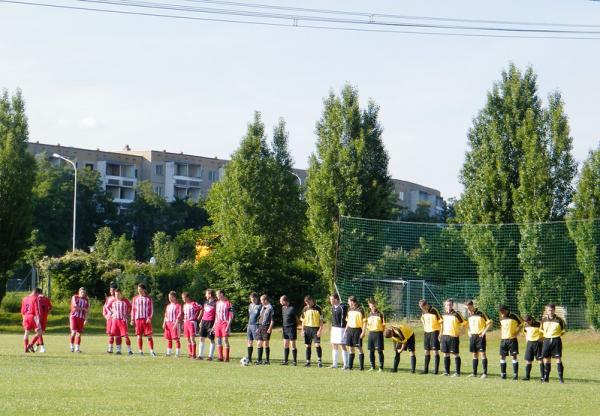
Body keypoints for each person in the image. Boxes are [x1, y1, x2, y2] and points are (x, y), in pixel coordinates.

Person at [540, 303, 567, 383]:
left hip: (556, 340)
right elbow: (541, 330)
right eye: (549, 310)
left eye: (552, 310)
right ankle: (546, 378)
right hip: (547, 340)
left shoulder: (559, 320)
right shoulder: (544, 319)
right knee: (546, 359)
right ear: (547, 311)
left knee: (558, 359)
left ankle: (560, 378)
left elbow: (563, 331)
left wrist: (557, 335)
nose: (550, 312)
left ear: (554, 310)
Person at [466, 300, 492, 378]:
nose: (468, 309)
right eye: (467, 308)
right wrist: (469, 332)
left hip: (480, 336)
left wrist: (484, 332)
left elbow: (490, 322)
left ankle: (485, 373)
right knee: (474, 354)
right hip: (473, 336)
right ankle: (474, 373)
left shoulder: (481, 313)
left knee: (482, 354)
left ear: (472, 305)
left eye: (469, 307)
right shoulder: (469, 315)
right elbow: (469, 325)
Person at [440, 298, 466, 377]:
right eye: (447, 305)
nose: (448, 306)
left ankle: (457, 373)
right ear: (445, 306)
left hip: (453, 336)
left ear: (452, 305)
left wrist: (462, 331)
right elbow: (442, 325)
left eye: (450, 305)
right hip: (445, 336)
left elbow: (464, 323)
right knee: (446, 354)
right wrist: (440, 333)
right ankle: (446, 372)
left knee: (455, 354)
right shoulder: (443, 314)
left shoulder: (457, 314)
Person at [498, 304, 523, 380]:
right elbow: (501, 326)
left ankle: (515, 374)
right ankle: (503, 374)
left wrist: (517, 332)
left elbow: (522, 324)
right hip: (503, 340)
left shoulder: (513, 316)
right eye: (500, 311)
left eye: (502, 311)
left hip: (512, 340)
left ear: (506, 310)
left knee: (514, 356)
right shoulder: (501, 317)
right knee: (502, 356)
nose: (501, 313)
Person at [131, 283, 156, 357]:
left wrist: (149, 318)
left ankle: (152, 351)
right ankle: (140, 351)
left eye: (140, 289)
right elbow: (133, 310)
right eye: (138, 289)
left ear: (144, 290)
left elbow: (151, 310)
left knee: (149, 335)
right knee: (139, 336)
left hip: (146, 320)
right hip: (138, 319)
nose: (139, 291)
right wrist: (132, 319)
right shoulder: (135, 298)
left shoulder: (148, 298)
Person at [418, 299, 442, 374]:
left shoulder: (434, 310)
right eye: (421, 308)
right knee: (426, 351)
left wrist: (440, 333)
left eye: (423, 308)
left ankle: (436, 371)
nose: (423, 309)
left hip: (434, 332)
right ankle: (426, 370)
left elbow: (441, 321)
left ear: (426, 305)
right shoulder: (423, 311)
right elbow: (422, 320)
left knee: (435, 351)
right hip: (427, 332)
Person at [300, 295, 324, 368]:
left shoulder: (318, 308)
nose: (307, 303)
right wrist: (302, 330)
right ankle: (308, 362)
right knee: (308, 345)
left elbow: (321, 320)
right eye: (306, 302)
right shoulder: (305, 309)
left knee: (317, 345)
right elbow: (303, 321)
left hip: (316, 329)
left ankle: (319, 361)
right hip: (307, 328)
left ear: (311, 300)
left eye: (307, 302)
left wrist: (320, 330)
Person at [344, 295, 366, 371]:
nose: (348, 302)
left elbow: (364, 322)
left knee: (359, 348)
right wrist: (345, 330)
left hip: (357, 330)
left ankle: (361, 367)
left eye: (349, 301)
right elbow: (348, 321)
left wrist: (363, 332)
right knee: (350, 348)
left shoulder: (361, 309)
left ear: (352, 302)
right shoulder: (349, 309)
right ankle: (350, 367)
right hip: (350, 330)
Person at [110, 289, 133, 355]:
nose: (117, 296)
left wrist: (128, 314)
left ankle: (129, 350)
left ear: (121, 294)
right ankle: (118, 350)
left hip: (122, 321)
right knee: (117, 336)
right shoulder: (113, 301)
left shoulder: (125, 301)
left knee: (125, 335)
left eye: (118, 294)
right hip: (115, 320)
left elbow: (131, 308)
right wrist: (111, 314)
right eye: (116, 295)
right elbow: (107, 307)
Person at [214, 289, 234, 362]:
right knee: (218, 340)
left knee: (225, 339)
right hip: (218, 323)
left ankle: (227, 357)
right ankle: (220, 357)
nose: (216, 295)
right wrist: (214, 325)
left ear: (221, 294)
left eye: (217, 294)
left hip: (225, 323)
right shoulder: (217, 303)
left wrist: (228, 326)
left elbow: (231, 316)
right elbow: (216, 315)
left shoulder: (228, 303)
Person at [329, 293, 348, 369]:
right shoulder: (332, 308)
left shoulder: (343, 307)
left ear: (336, 299)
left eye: (332, 299)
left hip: (341, 328)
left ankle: (346, 364)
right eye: (330, 299)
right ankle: (335, 364)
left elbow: (345, 310)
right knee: (334, 345)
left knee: (342, 345)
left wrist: (342, 303)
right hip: (334, 328)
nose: (330, 301)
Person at [523, 315, 544, 381]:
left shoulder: (539, 324)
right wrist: (526, 339)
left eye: (528, 321)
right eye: (525, 321)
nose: (527, 323)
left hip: (537, 343)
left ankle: (543, 377)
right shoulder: (525, 325)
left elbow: (545, 332)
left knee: (540, 360)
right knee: (528, 360)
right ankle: (527, 377)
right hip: (529, 344)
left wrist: (542, 339)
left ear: (531, 319)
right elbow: (525, 332)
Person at [366, 299, 385, 372]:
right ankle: (372, 366)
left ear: (376, 305)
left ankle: (381, 367)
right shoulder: (369, 314)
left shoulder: (380, 314)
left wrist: (381, 332)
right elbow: (368, 325)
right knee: (371, 351)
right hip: (371, 333)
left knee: (379, 351)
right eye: (370, 305)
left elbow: (383, 325)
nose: (372, 306)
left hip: (378, 334)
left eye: (373, 304)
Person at [198, 289, 217, 360]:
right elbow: (204, 312)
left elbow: (217, 315)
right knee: (201, 338)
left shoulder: (215, 303)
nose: (205, 295)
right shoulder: (205, 302)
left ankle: (210, 356)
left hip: (211, 323)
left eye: (206, 294)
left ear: (210, 294)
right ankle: (200, 355)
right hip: (204, 322)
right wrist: (201, 321)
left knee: (211, 339)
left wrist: (214, 325)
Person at [255, 294, 274, 365]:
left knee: (266, 344)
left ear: (265, 300)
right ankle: (259, 360)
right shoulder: (263, 307)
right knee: (259, 343)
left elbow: (272, 320)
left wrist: (270, 328)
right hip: (260, 326)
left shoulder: (270, 308)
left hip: (266, 327)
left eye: (261, 300)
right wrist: (258, 327)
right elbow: (260, 317)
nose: (260, 301)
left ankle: (267, 360)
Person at [182, 292, 202, 359]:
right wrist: (183, 323)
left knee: (192, 338)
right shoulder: (184, 305)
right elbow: (184, 314)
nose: (183, 299)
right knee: (187, 338)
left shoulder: (193, 303)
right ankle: (190, 353)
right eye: (182, 298)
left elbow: (201, 308)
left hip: (192, 322)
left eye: (184, 298)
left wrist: (199, 317)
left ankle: (194, 354)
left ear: (187, 297)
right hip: (186, 322)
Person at [69, 287, 89, 353]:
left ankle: (77, 348)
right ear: (79, 292)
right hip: (74, 317)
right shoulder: (75, 297)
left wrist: (86, 319)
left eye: (84, 292)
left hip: (81, 318)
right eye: (81, 292)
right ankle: (72, 346)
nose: (83, 293)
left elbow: (87, 310)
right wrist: (83, 309)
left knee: (79, 333)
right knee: (73, 332)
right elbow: (75, 306)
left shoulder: (86, 300)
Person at [163, 291, 182, 357]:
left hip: (174, 323)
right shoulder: (168, 306)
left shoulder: (178, 305)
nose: (169, 298)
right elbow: (165, 315)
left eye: (171, 297)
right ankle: (169, 353)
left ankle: (177, 353)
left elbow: (179, 315)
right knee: (169, 339)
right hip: (168, 323)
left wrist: (175, 324)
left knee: (176, 339)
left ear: (174, 297)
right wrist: (164, 323)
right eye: (169, 297)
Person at [280, 295, 298, 366]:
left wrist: (296, 326)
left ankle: (294, 361)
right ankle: (286, 361)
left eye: (281, 301)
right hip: (285, 328)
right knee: (285, 344)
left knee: (292, 345)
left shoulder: (292, 308)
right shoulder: (283, 308)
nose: (280, 302)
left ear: (285, 301)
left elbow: (297, 319)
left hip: (291, 328)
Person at [21, 288, 40, 353]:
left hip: (25, 316)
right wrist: (38, 322)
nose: (38, 296)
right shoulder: (35, 298)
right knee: (39, 332)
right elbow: (37, 311)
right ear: (36, 293)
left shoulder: (24, 298)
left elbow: (22, 311)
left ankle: (25, 348)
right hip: (32, 316)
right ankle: (30, 344)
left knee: (26, 333)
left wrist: (23, 319)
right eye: (38, 294)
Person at [246, 293, 262, 364]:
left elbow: (261, 317)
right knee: (249, 341)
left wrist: (259, 325)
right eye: (251, 299)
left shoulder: (260, 306)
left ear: (256, 298)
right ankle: (249, 359)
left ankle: (259, 359)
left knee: (258, 342)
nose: (252, 300)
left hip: (256, 325)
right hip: (249, 325)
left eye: (253, 299)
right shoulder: (250, 305)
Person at [35, 288, 52, 353]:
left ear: (37, 293)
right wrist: (46, 312)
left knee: (39, 333)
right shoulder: (46, 299)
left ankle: (42, 347)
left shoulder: (36, 298)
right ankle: (36, 347)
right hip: (44, 317)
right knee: (41, 333)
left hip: (38, 317)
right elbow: (50, 307)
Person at [102, 282, 118, 354]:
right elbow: (104, 309)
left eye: (112, 290)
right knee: (110, 334)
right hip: (110, 319)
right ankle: (110, 349)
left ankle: (118, 349)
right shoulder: (108, 299)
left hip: (117, 319)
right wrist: (106, 316)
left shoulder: (119, 298)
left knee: (117, 334)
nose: (111, 292)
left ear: (116, 290)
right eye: (110, 290)